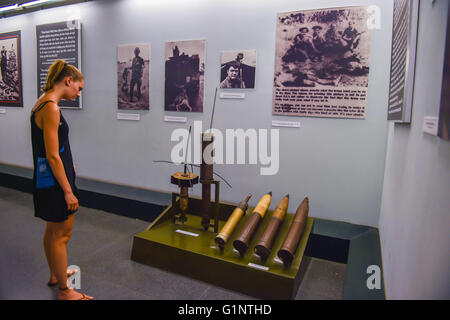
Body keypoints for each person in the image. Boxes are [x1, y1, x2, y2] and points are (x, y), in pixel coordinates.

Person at [30, 59, 92, 300]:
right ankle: (66, 292)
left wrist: (70, 164)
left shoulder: (42, 103)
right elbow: (53, 156)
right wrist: (68, 191)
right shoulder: (52, 108)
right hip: (56, 182)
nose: (78, 93)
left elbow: (54, 150)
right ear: (68, 81)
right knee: (62, 235)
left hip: (46, 178)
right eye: (79, 88)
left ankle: (56, 275)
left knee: (51, 229)